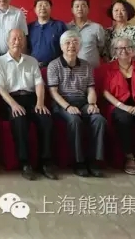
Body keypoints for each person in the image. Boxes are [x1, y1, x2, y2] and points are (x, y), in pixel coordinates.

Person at [0, 29, 57, 180]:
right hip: (10, 99)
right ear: (7, 41)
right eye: (14, 38)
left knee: (46, 119)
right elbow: (0, 88)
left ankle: (45, 162)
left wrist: (40, 103)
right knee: (19, 120)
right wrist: (13, 105)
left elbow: (39, 84)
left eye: (20, 38)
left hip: (31, 98)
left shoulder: (32, 61)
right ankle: (25, 163)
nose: (17, 41)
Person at [47, 30, 105, 177]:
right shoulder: (54, 65)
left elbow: (91, 89)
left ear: (80, 46)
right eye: (67, 43)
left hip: (83, 102)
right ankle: (78, 162)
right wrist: (68, 107)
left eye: (75, 42)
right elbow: (53, 92)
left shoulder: (86, 65)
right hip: (61, 104)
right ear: (61, 46)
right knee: (74, 120)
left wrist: (92, 104)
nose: (71, 46)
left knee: (99, 119)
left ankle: (94, 161)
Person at [103, 36, 135, 175]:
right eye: (120, 48)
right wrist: (123, 106)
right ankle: (129, 157)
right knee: (124, 119)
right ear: (114, 50)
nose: (124, 50)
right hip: (118, 106)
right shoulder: (109, 68)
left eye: (128, 47)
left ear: (133, 50)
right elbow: (106, 92)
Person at [27, 0, 67, 67]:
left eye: (46, 5)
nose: (42, 8)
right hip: (33, 67)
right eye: (40, 5)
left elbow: (67, 47)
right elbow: (26, 48)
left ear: (50, 8)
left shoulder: (59, 26)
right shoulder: (29, 27)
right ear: (35, 9)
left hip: (55, 67)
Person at [66, 0, 106, 67]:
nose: (80, 9)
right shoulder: (66, 28)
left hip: (92, 69)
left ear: (88, 9)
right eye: (77, 6)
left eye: (83, 6)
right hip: (71, 69)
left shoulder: (97, 27)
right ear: (72, 10)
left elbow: (101, 48)